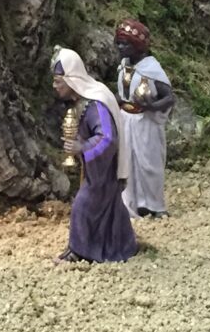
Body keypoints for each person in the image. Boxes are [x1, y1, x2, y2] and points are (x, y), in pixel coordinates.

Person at [52, 47, 137, 264]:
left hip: (104, 171)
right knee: (111, 210)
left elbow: (107, 138)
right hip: (97, 170)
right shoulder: (85, 102)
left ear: (71, 80)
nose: (54, 86)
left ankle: (78, 251)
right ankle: (120, 244)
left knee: (82, 207)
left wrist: (82, 148)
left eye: (58, 81)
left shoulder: (95, 104)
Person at [114, 19, 174, 218]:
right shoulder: (124, 65)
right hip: (126, 119)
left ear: (137, 45)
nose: (120, 48)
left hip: (145, 122)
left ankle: (154, 204)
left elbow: (169, 97)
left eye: (125, 44)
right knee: (127, 163)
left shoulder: (151, 68)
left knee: (148, 164)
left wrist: (151, 106)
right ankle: (131, 202)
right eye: (119, 43)